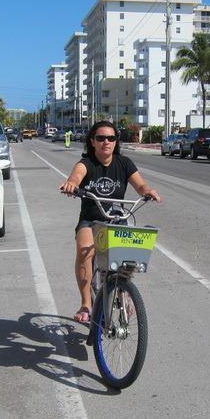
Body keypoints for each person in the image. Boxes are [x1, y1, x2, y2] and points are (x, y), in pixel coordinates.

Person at [59, 121, 162, 323]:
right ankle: (86, 304)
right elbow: (76, 177)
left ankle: (123, 293)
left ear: (116, 142)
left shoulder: (124, 163)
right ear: (92, 141)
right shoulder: (85, 163)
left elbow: (139, 184)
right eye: (101, 138)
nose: (106, 142)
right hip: (91, 219)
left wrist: (147, 190)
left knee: (127, 258)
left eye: (111, 138)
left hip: (116, 219)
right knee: (85, 249)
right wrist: (71, 184)